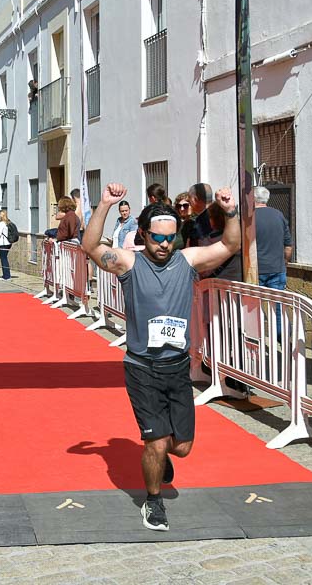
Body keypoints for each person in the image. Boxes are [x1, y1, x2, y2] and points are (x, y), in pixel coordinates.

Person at [83, 181, 240, 532]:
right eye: (157, 238)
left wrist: (230, 211)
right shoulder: (130, 263)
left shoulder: (187, 261)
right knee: (154, 441)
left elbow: (230, 245)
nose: (165, 245)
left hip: (177, 367)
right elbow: (91, 246)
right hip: (142, 368)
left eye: (171, 238)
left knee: (181, 448)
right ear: (143, 234)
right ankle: (153, 501)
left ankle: (160, 456)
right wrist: (105, 204)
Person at [254, 186, 292, 290]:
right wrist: (284, 262)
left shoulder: (249, 217)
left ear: (253, 198)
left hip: (256, 269)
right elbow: (288, 246)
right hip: (277, 269)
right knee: (277, 300)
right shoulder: (279, 215)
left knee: (255, 300)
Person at [0, 209, 13, 281]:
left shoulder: (1, 223)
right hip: (8, 243)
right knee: (5, 258)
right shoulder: (8, 222)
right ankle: (6, 275)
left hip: (2, 243)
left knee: (3, 259)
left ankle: (6, 276)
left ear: (1, 215)